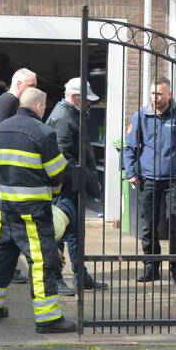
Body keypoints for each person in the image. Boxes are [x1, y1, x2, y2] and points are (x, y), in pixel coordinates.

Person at [0, 88, 77, 334]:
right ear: (39, 107)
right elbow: (56, 172)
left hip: (6, 207)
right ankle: (48, 319)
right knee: (42, 261)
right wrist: (54, 194)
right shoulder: (43, 132)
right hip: (33, 210)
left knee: (0, 256)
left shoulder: (2, 129)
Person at [122, 77, 176, 287]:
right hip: (148, 178)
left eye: (159, 94)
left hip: (175, 178)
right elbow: (130, 147)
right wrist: (131, 172)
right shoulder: (141, 116)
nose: (155, 97)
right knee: (148, 225)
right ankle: (151, 266)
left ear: (169, 95)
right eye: (152, 93)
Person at [46, 77, 108, 296]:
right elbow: (61, 154)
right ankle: (55, 278)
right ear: (74, 97)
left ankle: (80, 277)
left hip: (71, 184)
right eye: (86, 99)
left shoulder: (70, 114)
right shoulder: (64, 117)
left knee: (73, 232)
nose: (89, 103)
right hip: (66, 186)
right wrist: (78, 175)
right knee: (60, 232)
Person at [0, 67, 37, 284]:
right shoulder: (9, 102)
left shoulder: (7, 101)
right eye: (32, 86)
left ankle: (2, 265)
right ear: (19, 84)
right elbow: (2, 134)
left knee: (2, 216)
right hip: (1, 166)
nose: (35, 90)